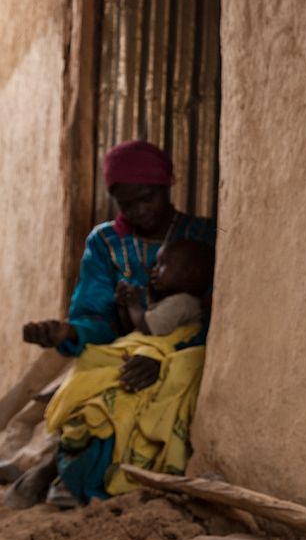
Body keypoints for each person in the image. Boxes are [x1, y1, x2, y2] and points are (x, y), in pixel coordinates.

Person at [8, 140, 215, 508]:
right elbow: (93, 315)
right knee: (88, 386)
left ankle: (51, 468)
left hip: (178, 353)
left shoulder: (202, 237)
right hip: (116, 351)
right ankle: (58, 467)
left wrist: (163, 357)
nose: (138, 211)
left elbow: (215, 315)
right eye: (126, 203)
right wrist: (70, 332)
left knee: (128, 393)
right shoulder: (105, 241)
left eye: (147, 198)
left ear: (168, 184)